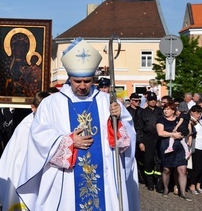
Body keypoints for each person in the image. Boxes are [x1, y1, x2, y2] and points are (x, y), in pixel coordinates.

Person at [16, 38, 139, 210]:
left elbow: (126, 140)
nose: (82, 86)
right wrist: (67, 141)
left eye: (87, 81)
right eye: (77, 81)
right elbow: (38, 136)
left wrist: (117, 122)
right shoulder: (51, 103)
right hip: (66, 177)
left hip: (104, 175)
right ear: (69, 78)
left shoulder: (108, 102)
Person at [0, 91, 50, 211]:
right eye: (42, 108)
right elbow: (18, 158)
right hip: (24, 175)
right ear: (33, 108)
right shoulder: (25, 127)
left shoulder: (51, 123)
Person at [156, 102, 191, 201]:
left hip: (180, 148)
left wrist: (187, 136)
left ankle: (183, 192)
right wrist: (173, 134)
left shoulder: (179, 119)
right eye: (164, 109)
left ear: (173, 110)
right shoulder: (161, 120)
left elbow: (188, 128)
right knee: (167, 169)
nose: (165, 111)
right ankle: (166, 189)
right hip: (167, 147)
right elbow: (160, 132)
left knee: (183, 170)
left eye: (168, 109)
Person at [137, 91, 164, 192]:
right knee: (148, 161)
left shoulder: (160, 111)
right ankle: (150, 182)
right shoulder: (142, 113)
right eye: (150, 100)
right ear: (147, 101)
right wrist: (140, 142)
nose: (152, 101)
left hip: (159, 140)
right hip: (147, 139)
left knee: (159, 161)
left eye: (154, 100)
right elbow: (139, 128)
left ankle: (159, 183)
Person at [188, 105, 202, 194]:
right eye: (197, 113)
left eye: (200, 113)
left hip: (201, 146)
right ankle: (192, 185)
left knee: (201, 168)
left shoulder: (200, 122)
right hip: (196, 147)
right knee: (197, 167)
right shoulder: (190, 121)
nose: (199, 115)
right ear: (192, 112)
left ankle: (198, 185)